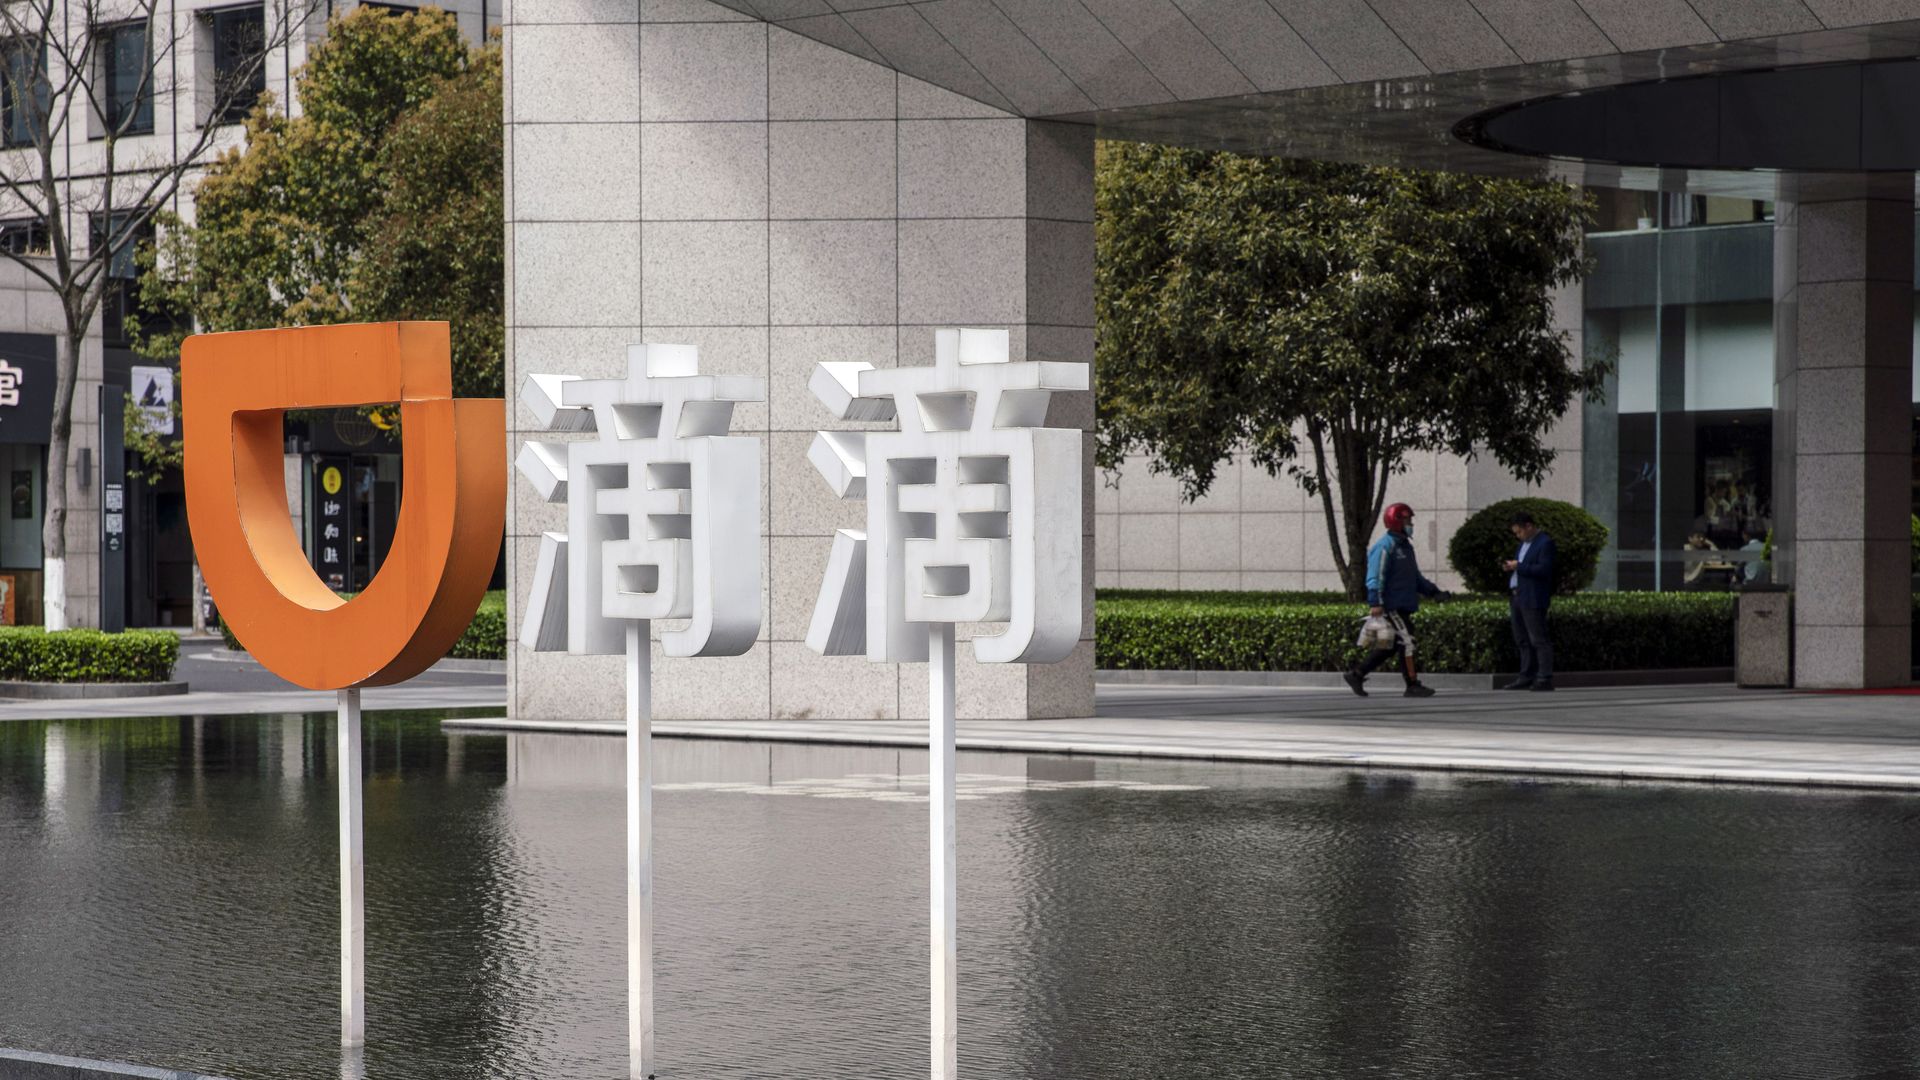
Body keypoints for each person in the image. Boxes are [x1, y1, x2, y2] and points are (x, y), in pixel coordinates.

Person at [1344, 502, 1442, 698]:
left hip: (1403, 604)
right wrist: (1375, 602)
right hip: (1391, 605)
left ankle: (1357, 674)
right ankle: (1412, 684)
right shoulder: (1385, 546)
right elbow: (1375, 577)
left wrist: (1434, 592)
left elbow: (1415, 577)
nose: (1410, 524)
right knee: (1407, 641)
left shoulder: (1405, 547)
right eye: (1407, 520)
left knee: (1391, 646)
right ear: (1396, 521)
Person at [1502, 510, 1557, 692]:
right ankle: (1526, 676)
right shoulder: (1522, 545)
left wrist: (1520, 566)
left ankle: (1544, 677)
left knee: (1538, 638)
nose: (1518, 536)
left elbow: (1544, 569)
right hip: (1517, 595)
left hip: (1533, 597)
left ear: (1529, 526)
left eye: (1519, 532)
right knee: (1522, 639)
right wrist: (1512, 567)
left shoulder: (1545, 543)